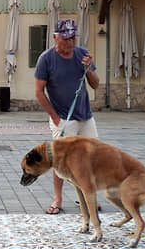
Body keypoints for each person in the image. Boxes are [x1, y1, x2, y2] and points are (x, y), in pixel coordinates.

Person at [34, 18, 101, 215]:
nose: (70, 42)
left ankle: (88, 196)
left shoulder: (82, 54)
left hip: (85, 116)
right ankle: (58, 199)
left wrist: (88, 69)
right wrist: (55, 117)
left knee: (91, 157)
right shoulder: (46, 59)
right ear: (55, 37)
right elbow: (39, 92)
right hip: (62, 117)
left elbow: (96, 85)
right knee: (60, 160)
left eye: (73, 38)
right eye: (65, 38)